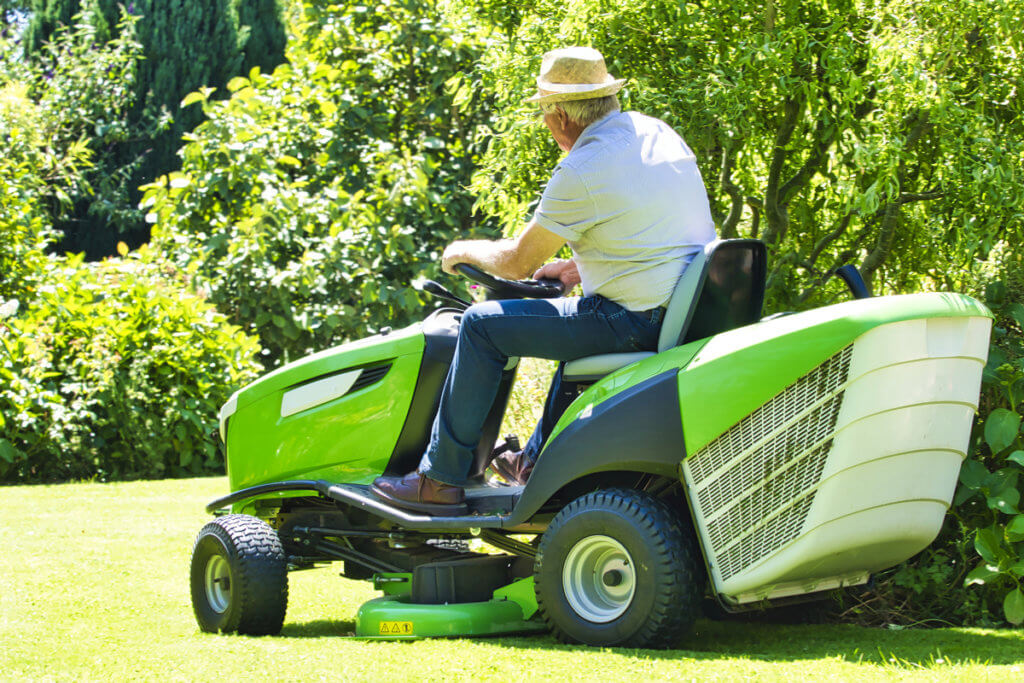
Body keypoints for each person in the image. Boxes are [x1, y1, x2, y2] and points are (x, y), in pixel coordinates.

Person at [371, 46, 717, 514]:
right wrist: (578, 269)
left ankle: (438, 481)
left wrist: (462, 251)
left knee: (480, 324)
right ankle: (532, 463)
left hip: (637, 318)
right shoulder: (656, 134)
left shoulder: (584, 166)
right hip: (687, 305)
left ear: (559, 117)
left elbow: (516, 262)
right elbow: (654, 233)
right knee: (559, 321)